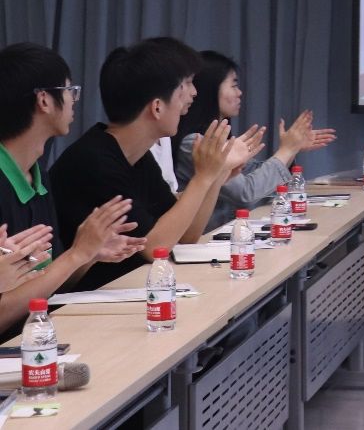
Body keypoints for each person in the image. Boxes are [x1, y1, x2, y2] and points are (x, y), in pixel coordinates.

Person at [50, 37, 263, 290]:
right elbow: (155, 247)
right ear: (157, 107)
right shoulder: (94, 160)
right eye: (185, 84)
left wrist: (216, 174)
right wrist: (203, 177)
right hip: (84, 301)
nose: (193, 94)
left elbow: (186, 236)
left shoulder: (138, 156)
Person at [0, 42, 147, 338]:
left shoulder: (38, 176)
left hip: (40, 338)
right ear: (44, 100)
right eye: (69, 91)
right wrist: (76, 255)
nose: (73, 101)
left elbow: (45, 286)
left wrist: (88, 253)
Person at [174, 51, 336, 231]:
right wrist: (287, 150)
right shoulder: (194, 143)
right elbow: (246, 193)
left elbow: (253, 172)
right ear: (210, 89)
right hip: (207, 239)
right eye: (234, 85)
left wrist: (292, 148)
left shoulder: (216, 138)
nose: (240, 93)